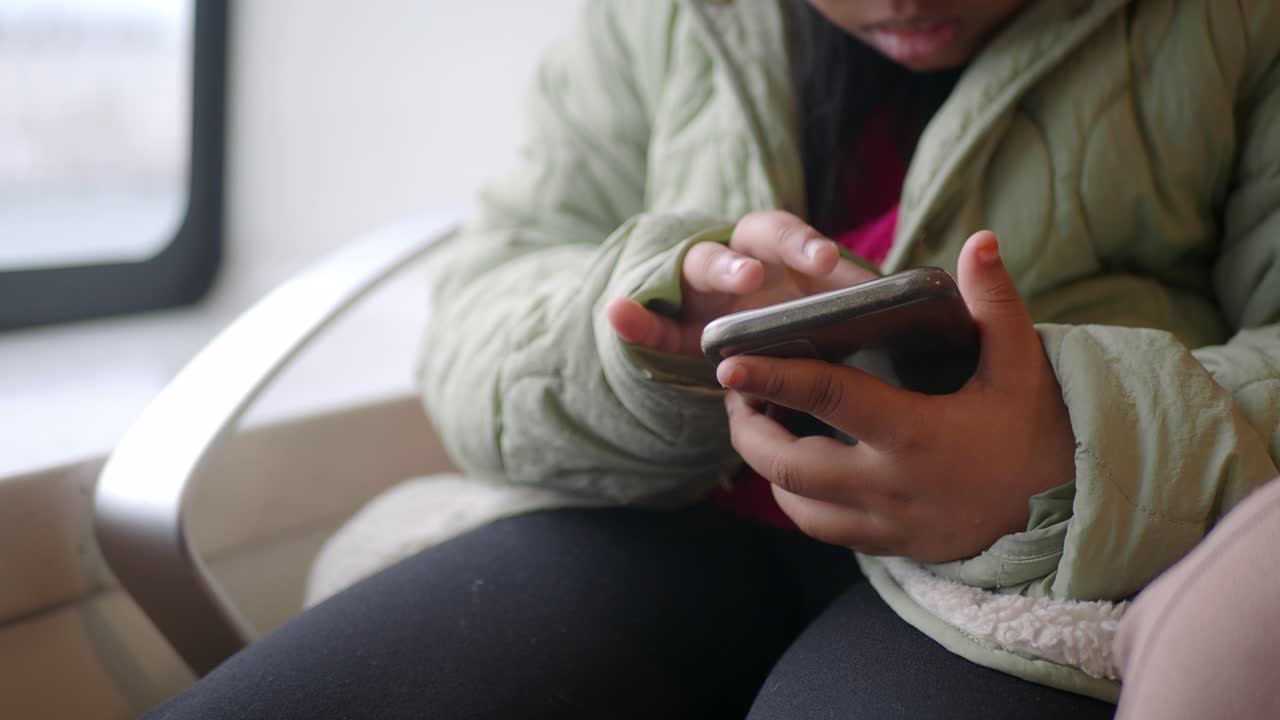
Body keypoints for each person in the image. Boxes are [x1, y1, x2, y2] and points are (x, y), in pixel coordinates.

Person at [143, 0, 1280, 717]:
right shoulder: (653, 20)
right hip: (675, 518)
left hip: (1022, 573)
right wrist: (637, 331)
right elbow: (483, 312)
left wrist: (1061, 456)